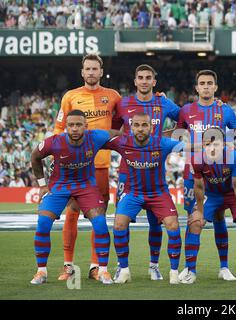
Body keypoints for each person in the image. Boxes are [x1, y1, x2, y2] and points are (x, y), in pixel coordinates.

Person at [30, 110, 119, 285]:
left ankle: (103, 271)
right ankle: (41, 272)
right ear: (65, 127)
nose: (75, 128)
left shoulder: (95, 137)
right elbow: (35, 156)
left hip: (86, 186)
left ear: (86, 126)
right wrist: (42, 184)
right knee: (43, 223)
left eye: (79, 125)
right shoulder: (54, 142)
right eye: (71, 125)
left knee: (100, 223)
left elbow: (116, 134)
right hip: (59, 187)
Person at [54, 54, 121, 281]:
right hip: (75, 167)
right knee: (71, 213)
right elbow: (58, 130)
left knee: (99, 216)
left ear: (101, 72)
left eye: (95, 69)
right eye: (87, 69)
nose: (91, 72)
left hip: (101, 166)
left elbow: (123, 125)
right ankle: (68, 266)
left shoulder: (113, 97)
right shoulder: (70, 96)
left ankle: (95, 267)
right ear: (82, 72)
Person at [112, 64, 180, 281]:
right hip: (127, 173)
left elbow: (186, 120)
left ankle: (154, 265)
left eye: (148, 77)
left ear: (154, 81)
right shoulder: (123, 104)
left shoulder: (164, 102)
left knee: (155, 222)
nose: (143, 81)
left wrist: (168, 135)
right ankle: (121, 266)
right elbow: (115, 130)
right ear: (135, 81)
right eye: (140, 77)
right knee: (121, 221)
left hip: (154, 172)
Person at [177, 70, 236, 283]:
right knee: (193, 218)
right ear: (196, 88)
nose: (206, 86)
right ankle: (189, 269)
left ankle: (224, 267)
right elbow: (178, 141)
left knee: (219, 217)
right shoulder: (186, 110)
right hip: (193, 173)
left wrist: (234, 142)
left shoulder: (226, 110)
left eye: (209, 83)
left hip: (218, 173)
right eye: (202, 83)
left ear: (215, 87)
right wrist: (197, 146)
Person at [106, 113, 184, 285]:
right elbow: (96, 143)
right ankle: (124, 270)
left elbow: (188, 146)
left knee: (173, 225)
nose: (140, 129)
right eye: (137, 125)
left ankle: (173, 272)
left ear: (151, 127)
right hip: (133, 193)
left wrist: (212, 144)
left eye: (144, 125)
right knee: (119, 224)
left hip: (158, 193)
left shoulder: (162, 143)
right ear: (131, 127)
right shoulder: (122, 141)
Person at [184, 127, 236, 284]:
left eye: (216, 144)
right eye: (208, 144)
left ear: (223, 143)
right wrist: (199, 211)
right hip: (213, 195)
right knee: (195, 222)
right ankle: (191, 272)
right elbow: (198, 186)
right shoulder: (197, 159)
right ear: (202, 145)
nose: (212, 148)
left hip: (233, 194)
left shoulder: (233, 156)